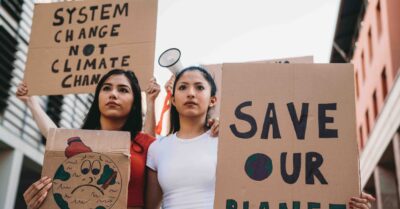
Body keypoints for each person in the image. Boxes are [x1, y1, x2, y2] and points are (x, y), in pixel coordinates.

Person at [145, 66, 375, 209]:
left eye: (199, 87)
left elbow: (276, 183)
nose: (191, 93)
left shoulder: (232, 141)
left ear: (213, 100)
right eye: (183, 87)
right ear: (173, 100)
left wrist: (340, 196)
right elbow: (150, 206)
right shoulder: (158, 149)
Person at [17, 69, 160, 209]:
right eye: (106, 88)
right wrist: (31, 102)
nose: (113, 94)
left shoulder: (149, 145)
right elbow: (53, 135)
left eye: (123, 90)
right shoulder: (78, 142)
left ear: (135, 102)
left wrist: (151, 103)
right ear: (98, 97)